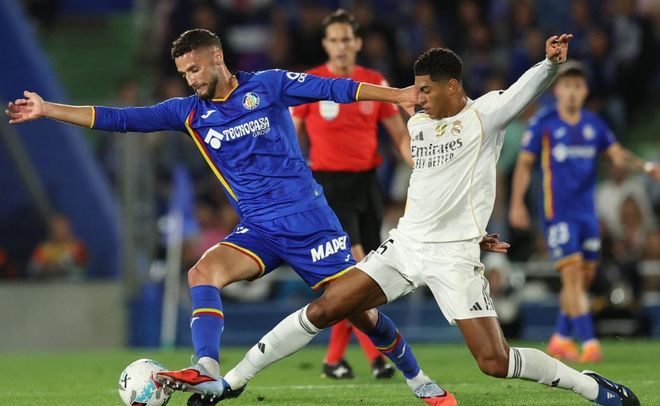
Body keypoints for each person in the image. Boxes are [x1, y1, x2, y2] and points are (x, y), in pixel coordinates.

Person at [6, 28, 454, 406]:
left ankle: (421, 381)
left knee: (361, 313)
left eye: (194, 69)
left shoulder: (269, 85)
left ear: (217, 57)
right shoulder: (189, 113)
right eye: (184, 74)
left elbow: (334, 89)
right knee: (202, 272)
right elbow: (120, 119)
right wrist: (48, 110)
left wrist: (395, 94)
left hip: (309, 222)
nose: (190, 80)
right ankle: (206, 366)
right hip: (258, 227)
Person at [219, 34, 641, 406]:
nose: (417, 98)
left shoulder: (485, 115)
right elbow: (435, 186)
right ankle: (233, 381)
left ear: (452, 86)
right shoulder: (419, 123)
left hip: (453, 257)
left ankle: (589, 385)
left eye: (425, 89)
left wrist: (549, 63)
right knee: (326, 307)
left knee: (494, 362)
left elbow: (521, 92)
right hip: (405, 246)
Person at [509, 61, 660, 363]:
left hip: (588, 215)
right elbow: (525, 164)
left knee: (584, 277)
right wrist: (516, 203)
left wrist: (645, 167)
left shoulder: (594, 124)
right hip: (559, 213)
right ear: (557, 90)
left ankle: (560, 338)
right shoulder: (544, 122)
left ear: (585, 90)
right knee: (573, 276)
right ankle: (590, 343)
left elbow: (617, 155)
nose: (572, 91)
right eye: (567, 85)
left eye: (578, 86)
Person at [291, 9, 411, 380]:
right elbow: (292, 137)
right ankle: (377, 355)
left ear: (357, 43)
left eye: (346, 39)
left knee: (365, 278)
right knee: (356, 272)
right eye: (334, 40)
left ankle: (335, 360)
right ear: (325, 44)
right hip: (329, 188)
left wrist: (424, 165)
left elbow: (400, 137)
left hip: (368, 185)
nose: (341, 46)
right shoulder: (310, 82)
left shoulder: (374, 82)